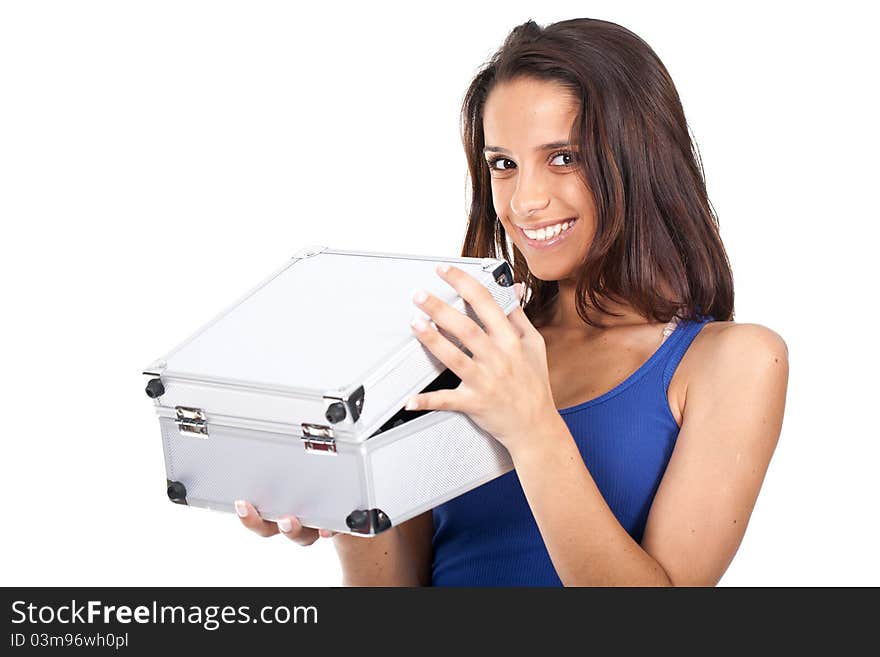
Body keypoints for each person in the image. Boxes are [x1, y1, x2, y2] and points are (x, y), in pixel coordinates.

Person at [234, 17, 789, 586]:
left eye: (565, 158)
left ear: (640, 159)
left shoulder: (735, 361)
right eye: (503, 164)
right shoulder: (466, 345)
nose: (525, 201)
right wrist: (343, 495)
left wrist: (531, 426)